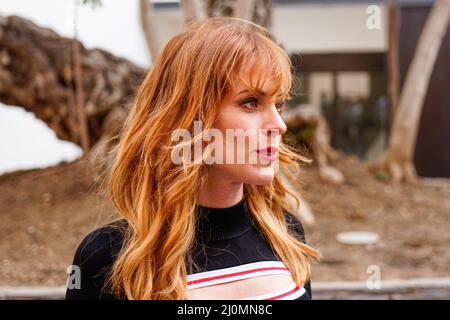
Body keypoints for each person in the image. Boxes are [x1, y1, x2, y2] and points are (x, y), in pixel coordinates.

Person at [65, 16, 320, 300]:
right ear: (191, 117)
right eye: (251, 102)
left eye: (279, 104)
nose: (279, 125)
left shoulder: (286, 235)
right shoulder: (108, 258)